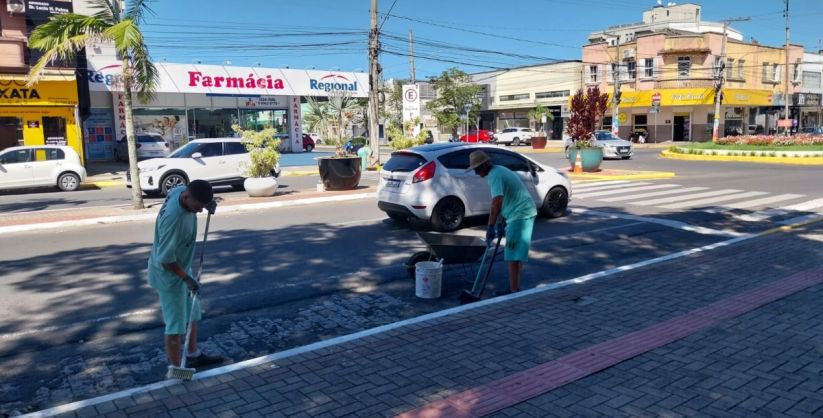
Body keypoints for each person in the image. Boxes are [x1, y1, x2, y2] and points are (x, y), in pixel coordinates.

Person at [148, 180, 224, 378]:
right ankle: (175, 368)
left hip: (182, 267)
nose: (199, 211)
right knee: (175, 325)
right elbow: (164, 259)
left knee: (193, 313)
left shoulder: (182, 191)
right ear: (186, 198)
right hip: (169, 275)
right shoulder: (173, 220)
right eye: (197, 206)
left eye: (202, 207)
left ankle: (192, 354)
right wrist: (186, 279)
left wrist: (208, 204)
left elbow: (194, 192)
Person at [466, 150, 537, 296]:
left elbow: (496, 201)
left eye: (477, 169)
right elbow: (503, 199)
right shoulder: (498, 171)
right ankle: (515, 288)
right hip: (521, 213)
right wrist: (500, 221)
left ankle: (513, 290)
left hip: (520, 215)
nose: (476, 173)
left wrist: (490, 225)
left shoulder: (494, 175)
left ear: (484, 166)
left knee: (512, 254)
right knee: (516, 254)